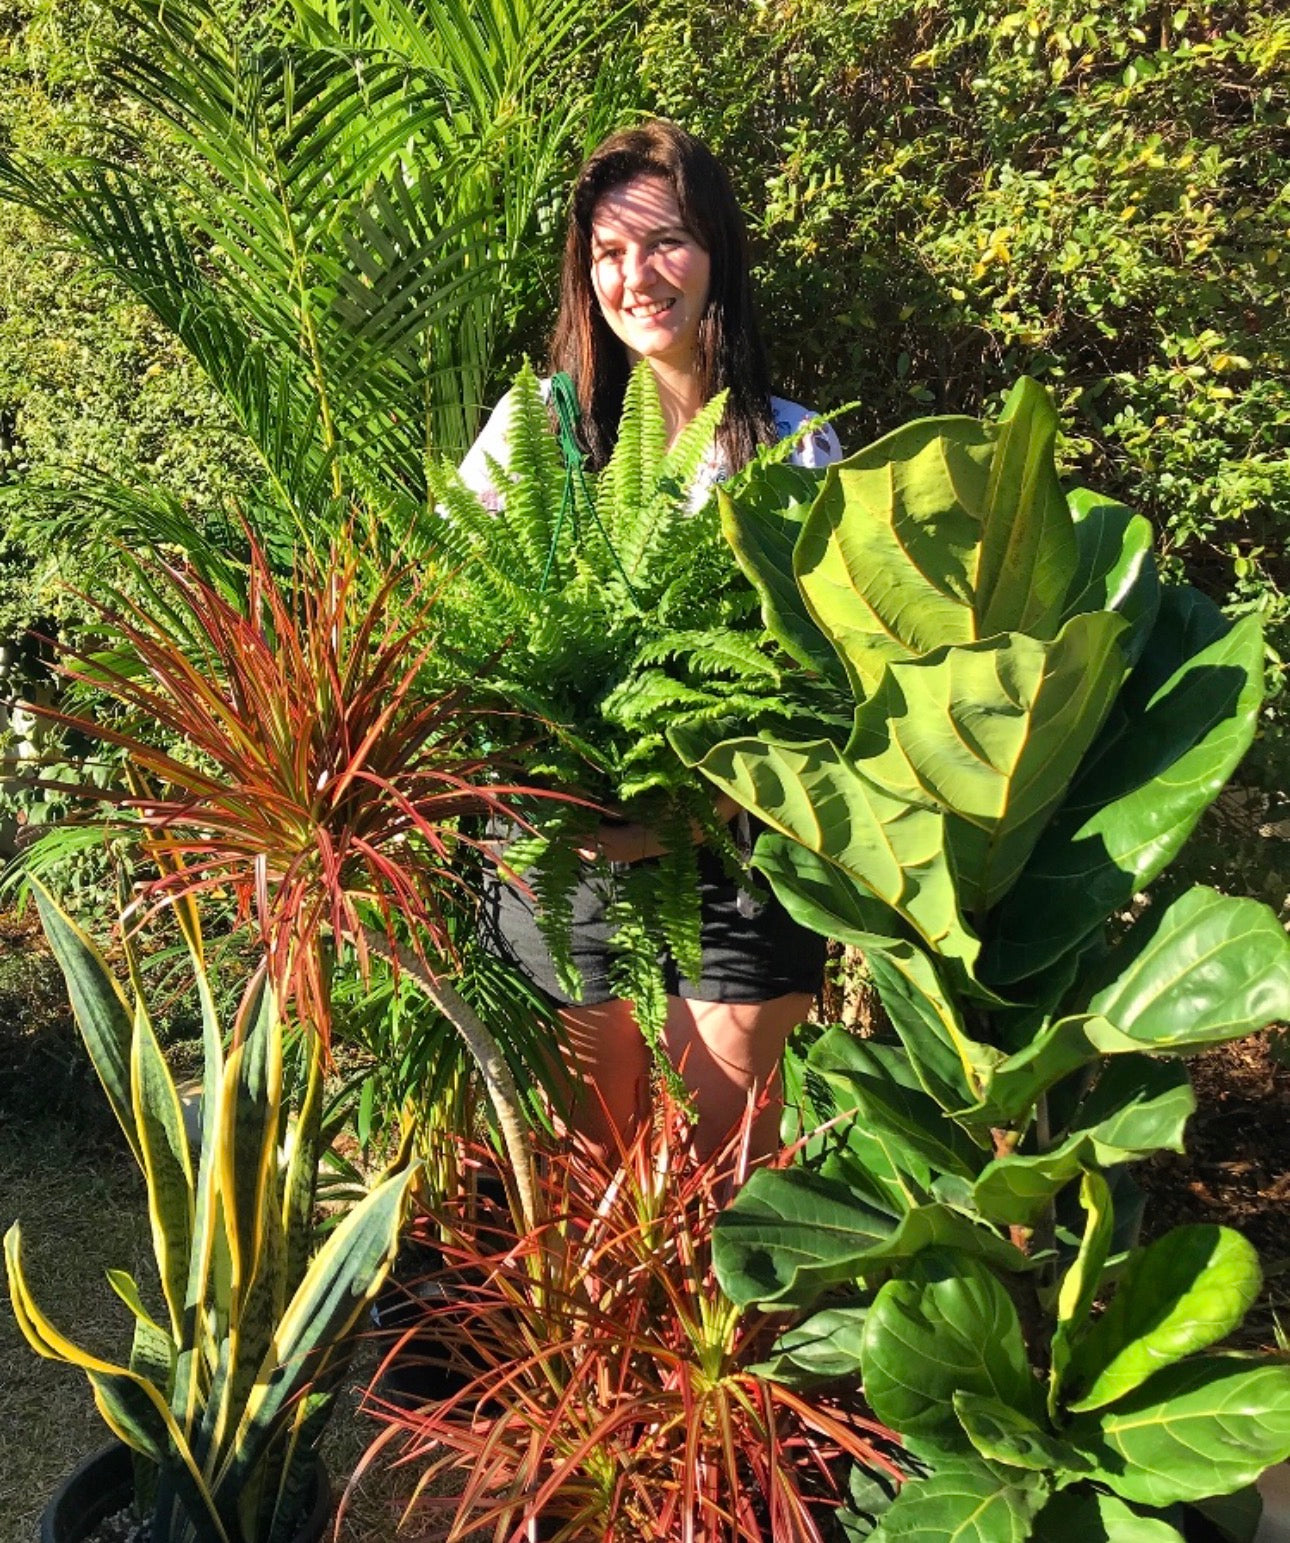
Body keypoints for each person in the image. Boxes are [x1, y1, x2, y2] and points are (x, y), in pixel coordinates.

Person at [460, 121, 842, 1167]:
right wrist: (551, 784)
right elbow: (454, 627)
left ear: (716, 250)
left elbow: (831, 676)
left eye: (666, 241)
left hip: (739, 858)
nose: (636, 276)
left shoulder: (796, 447)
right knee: (591, 1189)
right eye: (610, 252)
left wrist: (709, 795)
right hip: (564, 862)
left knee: (721, 1183)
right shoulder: (535, 431)